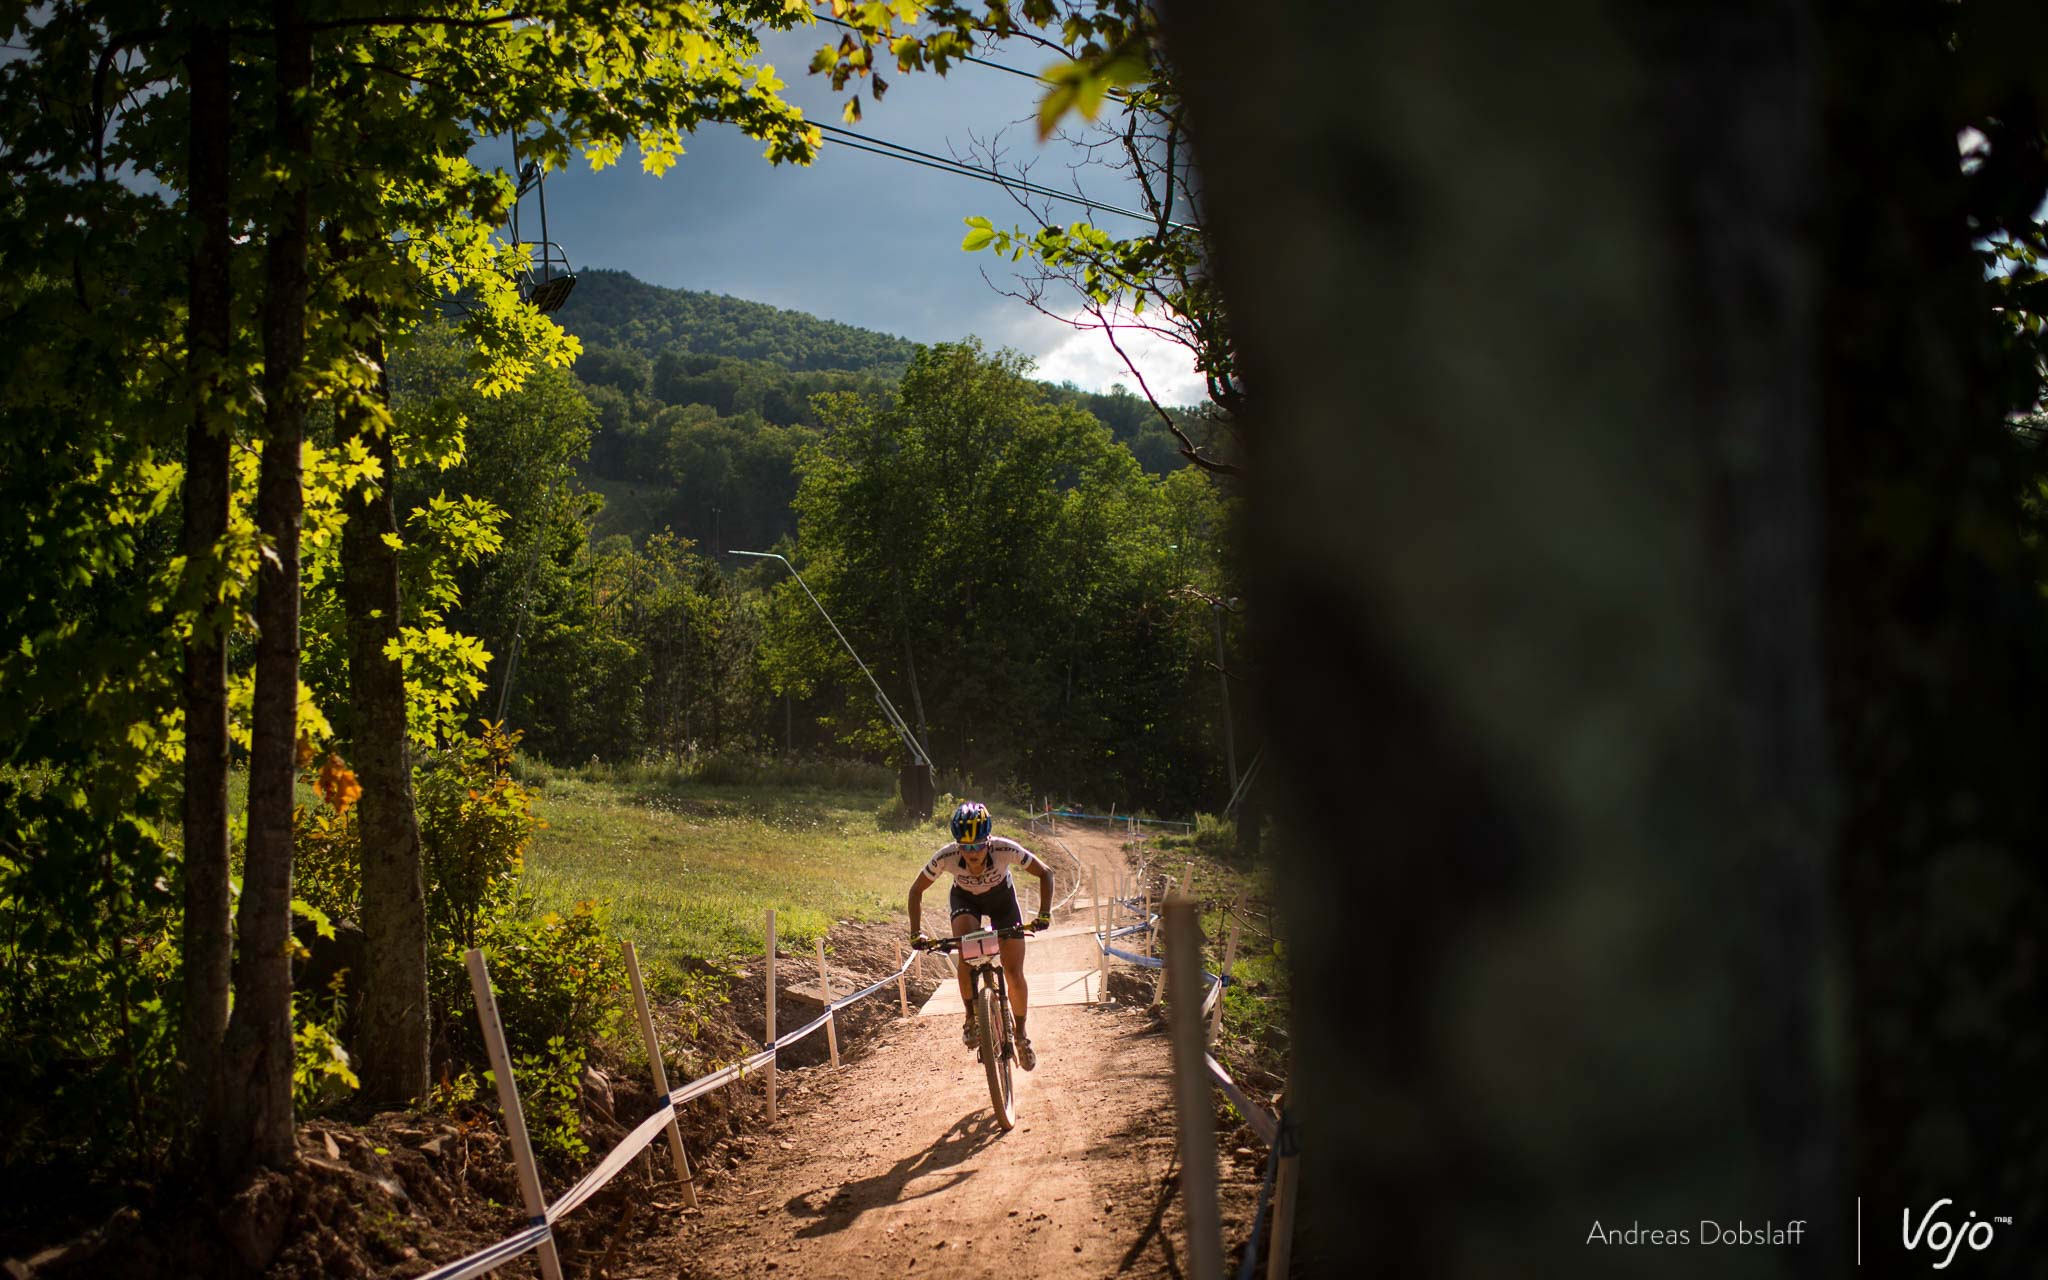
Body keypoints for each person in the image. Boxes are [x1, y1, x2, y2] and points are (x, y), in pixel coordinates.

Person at [908, 801, 1054, 1070]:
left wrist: (1044, 914)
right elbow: (916, 891)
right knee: (967, 954)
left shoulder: (1005, 849)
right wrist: (916, 933)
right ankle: (971, 1018)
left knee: (1013, 972)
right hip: (966, 901)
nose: (972, 853)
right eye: (965, 846)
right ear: (957, 845)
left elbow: (1045, 873)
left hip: (1002, 902)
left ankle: (1021, 1035)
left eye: (977, 845)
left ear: (988, 841)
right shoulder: (946, 856)